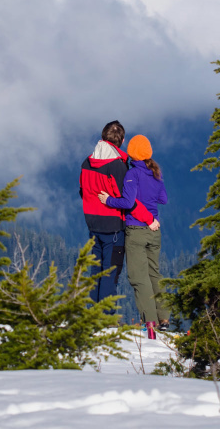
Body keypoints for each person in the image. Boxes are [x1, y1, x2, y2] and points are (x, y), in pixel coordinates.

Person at [98, 134, 169, 339]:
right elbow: (163, 199)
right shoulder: (155, 172)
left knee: (139, 277)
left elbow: (128, 203)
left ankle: (150, 324)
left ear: (131, 153)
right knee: (154, 273)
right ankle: (164, 319)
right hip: (155, 232)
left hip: (136, 230)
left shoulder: (132, 174)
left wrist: (109, 200)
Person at [79, 120, 129, 311]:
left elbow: (82, 191)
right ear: (122, 141)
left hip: (92, 224)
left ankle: (92, 314)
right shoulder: (117, 166)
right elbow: (124, 197)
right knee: (110, 273)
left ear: (102, 138)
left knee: (95, 271)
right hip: (114, 226)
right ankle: (105, 318)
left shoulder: (87, 162)